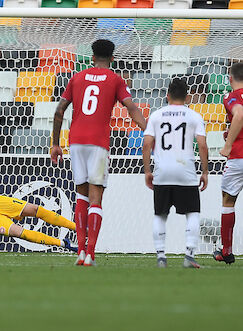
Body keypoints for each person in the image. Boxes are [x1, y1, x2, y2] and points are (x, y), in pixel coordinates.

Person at [51, 39, 147, 266]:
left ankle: (80, 252)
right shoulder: (115, 79)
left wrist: (55, 144)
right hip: (99, 144)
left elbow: (59, 110)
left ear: (92, 58)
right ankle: (91, 254)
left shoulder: (77, 78)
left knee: (81, 196)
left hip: (75, 143)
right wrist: (148, 130)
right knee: (96, 198)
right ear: (112, 59)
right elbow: (131, 107)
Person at [142, 78, 208, 268]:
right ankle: (189, 255)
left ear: (167, 95)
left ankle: (161, 256)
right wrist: (205, 172)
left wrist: (148, 170)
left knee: (160, 215)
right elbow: (202, 146)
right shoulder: (194, 116)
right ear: (187, 97)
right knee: (193, 213)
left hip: (162, 171)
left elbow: (146, 144)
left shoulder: (156, 115)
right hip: (185, 170)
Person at [215, 62, 243, 264]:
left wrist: (228, 144)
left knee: (228, 200)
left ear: (230, 78)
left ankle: (227, 251)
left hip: (239, 156)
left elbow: (239, 115)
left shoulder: (232, 97)